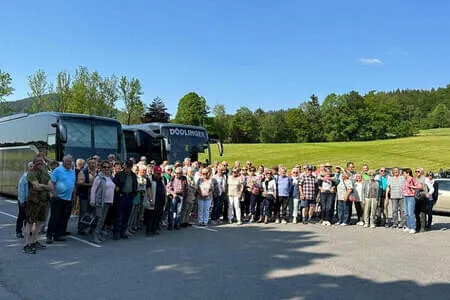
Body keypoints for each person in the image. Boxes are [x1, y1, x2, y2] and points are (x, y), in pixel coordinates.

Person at [24, 157, 51, 253]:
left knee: (38, 223)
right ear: (34, 163)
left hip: (43, 201)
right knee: (30, 222)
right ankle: (26, 245)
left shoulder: (45, 174)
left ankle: (34, 242)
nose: (40, 163)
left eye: (41, 162)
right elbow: (36, 187)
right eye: (38, 162)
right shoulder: (31, 173)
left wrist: (42, 186)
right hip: (33, 202)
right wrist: (44, 186)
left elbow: (51, 187)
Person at [46, 155, 76, 244]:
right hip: (58, 198)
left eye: (70, 162)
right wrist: (55, 195)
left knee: (64, 218)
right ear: (63, 161)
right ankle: (49, 236)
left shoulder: (72, 171)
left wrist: (74, 195)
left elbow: (72, 184)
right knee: (54, 218)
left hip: (68, 199)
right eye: (67, 161)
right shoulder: (57, 170)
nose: (69, 163)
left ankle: (58, 235)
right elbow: (51, 183)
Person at [90, 161, 116, 244]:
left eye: (108, 167)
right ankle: (95, 236)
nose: (106, 169)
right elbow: (93, 189)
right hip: (100, 202)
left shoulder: (110, 177)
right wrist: (92, 201)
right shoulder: (99, 178)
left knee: (103, 220)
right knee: (99, 219)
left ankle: (98, 234)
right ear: (101, 168)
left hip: (108, 202)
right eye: (104, 167)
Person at [113, 159, 138, 240]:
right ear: (125, 166)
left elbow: (135, 185)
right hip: (121, 196)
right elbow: (115, 184)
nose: (128, 167)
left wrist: (134, 194)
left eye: (130, 166)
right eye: (127, 166)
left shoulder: (133, 175)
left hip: (129, 196)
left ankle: (123, 232)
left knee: (127, 215)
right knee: (119, 215)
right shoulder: (119, 174)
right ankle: (116, 232)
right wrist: (118, 192)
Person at [77, 157, 97, 235]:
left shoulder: (97, 172)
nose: (93, 165)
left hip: (94, 195)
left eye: (94, 163)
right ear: (88, 164)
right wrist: (91, 185)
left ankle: (89, 228)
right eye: (91, 163)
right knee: (84, 212)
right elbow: (80, 183)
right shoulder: (83, 172)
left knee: (92, 212)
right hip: (85, 195)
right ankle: (81, 229)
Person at [144, 166, 166, 236]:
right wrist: (151, 200)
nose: (158, 175)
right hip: (153, 200)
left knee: (157, 216)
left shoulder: (162, 179)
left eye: (159, 173)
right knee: (150, 217)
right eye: (157, 173)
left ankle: (154, 229)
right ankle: (149, 231)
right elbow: (149, 190)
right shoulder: (150, 179)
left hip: (160, 201)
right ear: (154, 172)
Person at [402, 168, 422, 234]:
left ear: (407, 173)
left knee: (411, 213)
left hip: (411, 197)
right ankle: (408, 226)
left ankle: (413, 228)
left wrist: (412, 187)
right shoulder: (405, 179)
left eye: (404, 173)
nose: (403, 174)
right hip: (405, 196)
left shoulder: (412, 179)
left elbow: (420, 186)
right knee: (406, 212)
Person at [17, 162, 33, 239]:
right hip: (24, 200)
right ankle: (18, 231)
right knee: (22, 216)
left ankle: (28, 230)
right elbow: (21, 190)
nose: (32, 167)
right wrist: (21, 201)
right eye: (30, 166)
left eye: (33, 166)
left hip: (31, 201)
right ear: (28, 168)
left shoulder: (34, 177)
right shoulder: (24, 177)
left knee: (29, 216)